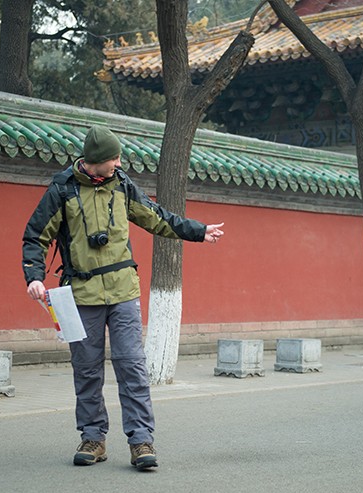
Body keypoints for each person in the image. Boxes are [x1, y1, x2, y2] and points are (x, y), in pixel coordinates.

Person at [22, 126, 224, 471]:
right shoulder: (62, 190)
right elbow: (35, 237)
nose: (119, 162)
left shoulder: (122, 185)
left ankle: (141, 441)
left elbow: (158, 219)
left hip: (123, 292)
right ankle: (93, 438)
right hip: (81, 294)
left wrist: (198, 231)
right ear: (94, 161)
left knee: (132, 366)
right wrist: (34, 277)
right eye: (113, 158)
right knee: (86, 370)